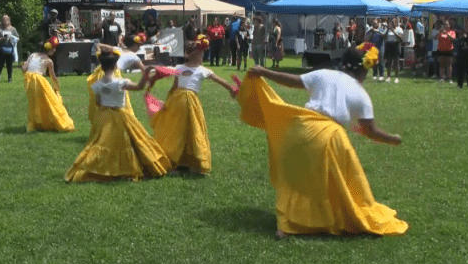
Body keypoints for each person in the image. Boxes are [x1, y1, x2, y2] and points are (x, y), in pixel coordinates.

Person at [233, 43, 407, 238]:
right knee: (343, 184)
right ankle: (328, 219)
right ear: (365, 70)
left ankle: (285, 225)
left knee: (296, 181)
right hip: (329, 138)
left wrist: (264, 71)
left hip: (300, 129)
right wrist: (393, 139)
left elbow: (293, 81)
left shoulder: (324, 74)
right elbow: (371, 131)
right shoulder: (362, 95)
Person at [65, 48, 171, 182]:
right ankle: (125, 170)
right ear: (115, 66)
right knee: (128, 142)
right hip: (120, 115)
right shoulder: (121, 82)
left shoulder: (97, 85)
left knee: (102, 143)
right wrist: (146, 73)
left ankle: (99, 168)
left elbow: (98, 102)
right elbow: (139, 87)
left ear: (101, 67)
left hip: (104, 117)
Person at [150, 35, 238, 175]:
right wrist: (231, 88)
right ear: (196, 55)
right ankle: (185, 162)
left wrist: (169, 100)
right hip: (188, 101)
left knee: (178, 131)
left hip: (178, 100)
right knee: (191, 130)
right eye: (202, 53)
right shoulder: (200, 70)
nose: (203, 55)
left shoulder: (184, 68)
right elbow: (221, 81)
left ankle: (181, 162)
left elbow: (175, 86)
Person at [88, 33, 146, 122]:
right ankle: (124, 119)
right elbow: (144, 69)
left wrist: (100, 58)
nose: (138, 48)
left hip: (101, 71)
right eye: (138, 46)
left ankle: (101, 118)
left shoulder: (117, 49)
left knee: (101, 97)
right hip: (114, 73)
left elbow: (98, 45)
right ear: (134, 45)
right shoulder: (135, 57)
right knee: (122, 99)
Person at [20, 36, 75, 132]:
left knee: (35, 103)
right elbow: (52, 76)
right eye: (54, 49)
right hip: (39, 81)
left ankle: (38, 122)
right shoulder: (49, 61)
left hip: (29, 82)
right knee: (50, 101)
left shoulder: (32, 55)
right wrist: (57, 86)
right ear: (50, 49)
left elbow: (24, 68)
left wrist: (23, 64)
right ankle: (56, 122)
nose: (54, 51)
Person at [0, 15, 19, 83]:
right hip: (1, 49)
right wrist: (2, 38)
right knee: (0, 64)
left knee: (9, 65)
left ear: (9, 20)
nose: (5, 21)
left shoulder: (13, 29)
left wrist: (13, 39)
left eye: (6, 20)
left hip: (10, 49)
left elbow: (17, 38)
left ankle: (10, 78)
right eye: (4, 20)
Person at [455, 25, 468, 89]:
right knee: (460, 72)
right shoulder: (462, 40)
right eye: (467, 32)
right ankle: (459, 85)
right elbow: (459, 47)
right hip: (461, 58)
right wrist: (462, 39)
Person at [383, 18, 404, 83]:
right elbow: (384, 37)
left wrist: (393, 31)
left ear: (396, 23)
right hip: (389, 45)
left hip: (396, 45)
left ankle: (396, 77)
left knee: (396, 62)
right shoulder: (388, 30)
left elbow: (400, 38)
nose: (392, 24)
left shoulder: (399, 29)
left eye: (393, 22)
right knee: (389, 62)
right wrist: (387, 30)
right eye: (391, 23)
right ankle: (388, 77)